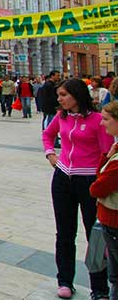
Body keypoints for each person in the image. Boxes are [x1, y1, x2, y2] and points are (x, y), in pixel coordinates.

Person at [42, 78, 111, 299]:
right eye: (58, 95)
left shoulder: (98, 120)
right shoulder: (61, 116)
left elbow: (106, 153)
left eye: (63, 95)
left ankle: (99, 288)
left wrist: (102, 180)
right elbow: (47, 134)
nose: (59, 99)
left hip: (89, 181)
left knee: (95, 235)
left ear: (76, 95)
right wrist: (50, 153)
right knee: (64, 233)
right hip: (62, 179)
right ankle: (65, 281)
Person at [90, 101, 118, 300]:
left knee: (116, 276)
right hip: (110, 221)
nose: (102, 124)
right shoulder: (115, 150)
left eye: (106, 119)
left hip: (114, 222)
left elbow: (97, 188)